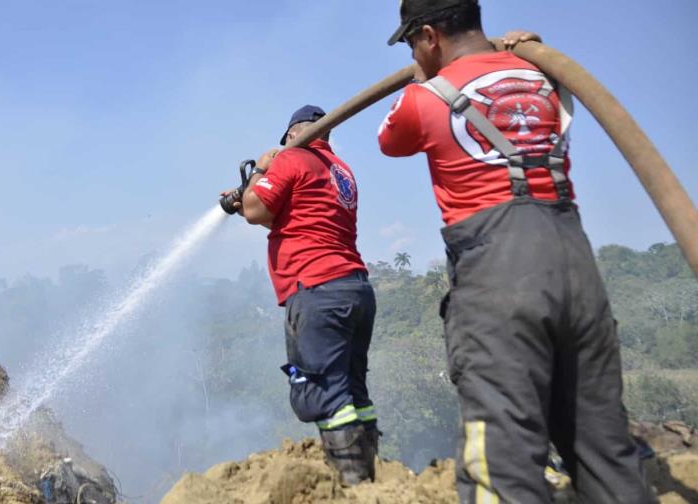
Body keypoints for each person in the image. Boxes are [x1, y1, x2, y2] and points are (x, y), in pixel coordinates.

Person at [378, 1, 656, 502]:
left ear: (429, 36)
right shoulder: (540, 70)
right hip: (576, 261)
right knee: (605, 449)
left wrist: (423, 74)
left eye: (412, 42)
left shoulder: (423, 98)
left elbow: (389, 141)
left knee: (501, 461)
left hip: (498, 276)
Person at [232, 105, 378, 484]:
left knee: (324, 395)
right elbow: (284, 211)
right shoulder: (341, 170)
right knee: (353, 394)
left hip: (317, 289)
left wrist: (264, 167)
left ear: (293, 135)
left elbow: (254, 208)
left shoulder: (292, 157)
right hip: (354, 286)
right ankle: (373, 480)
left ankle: (353, 487)